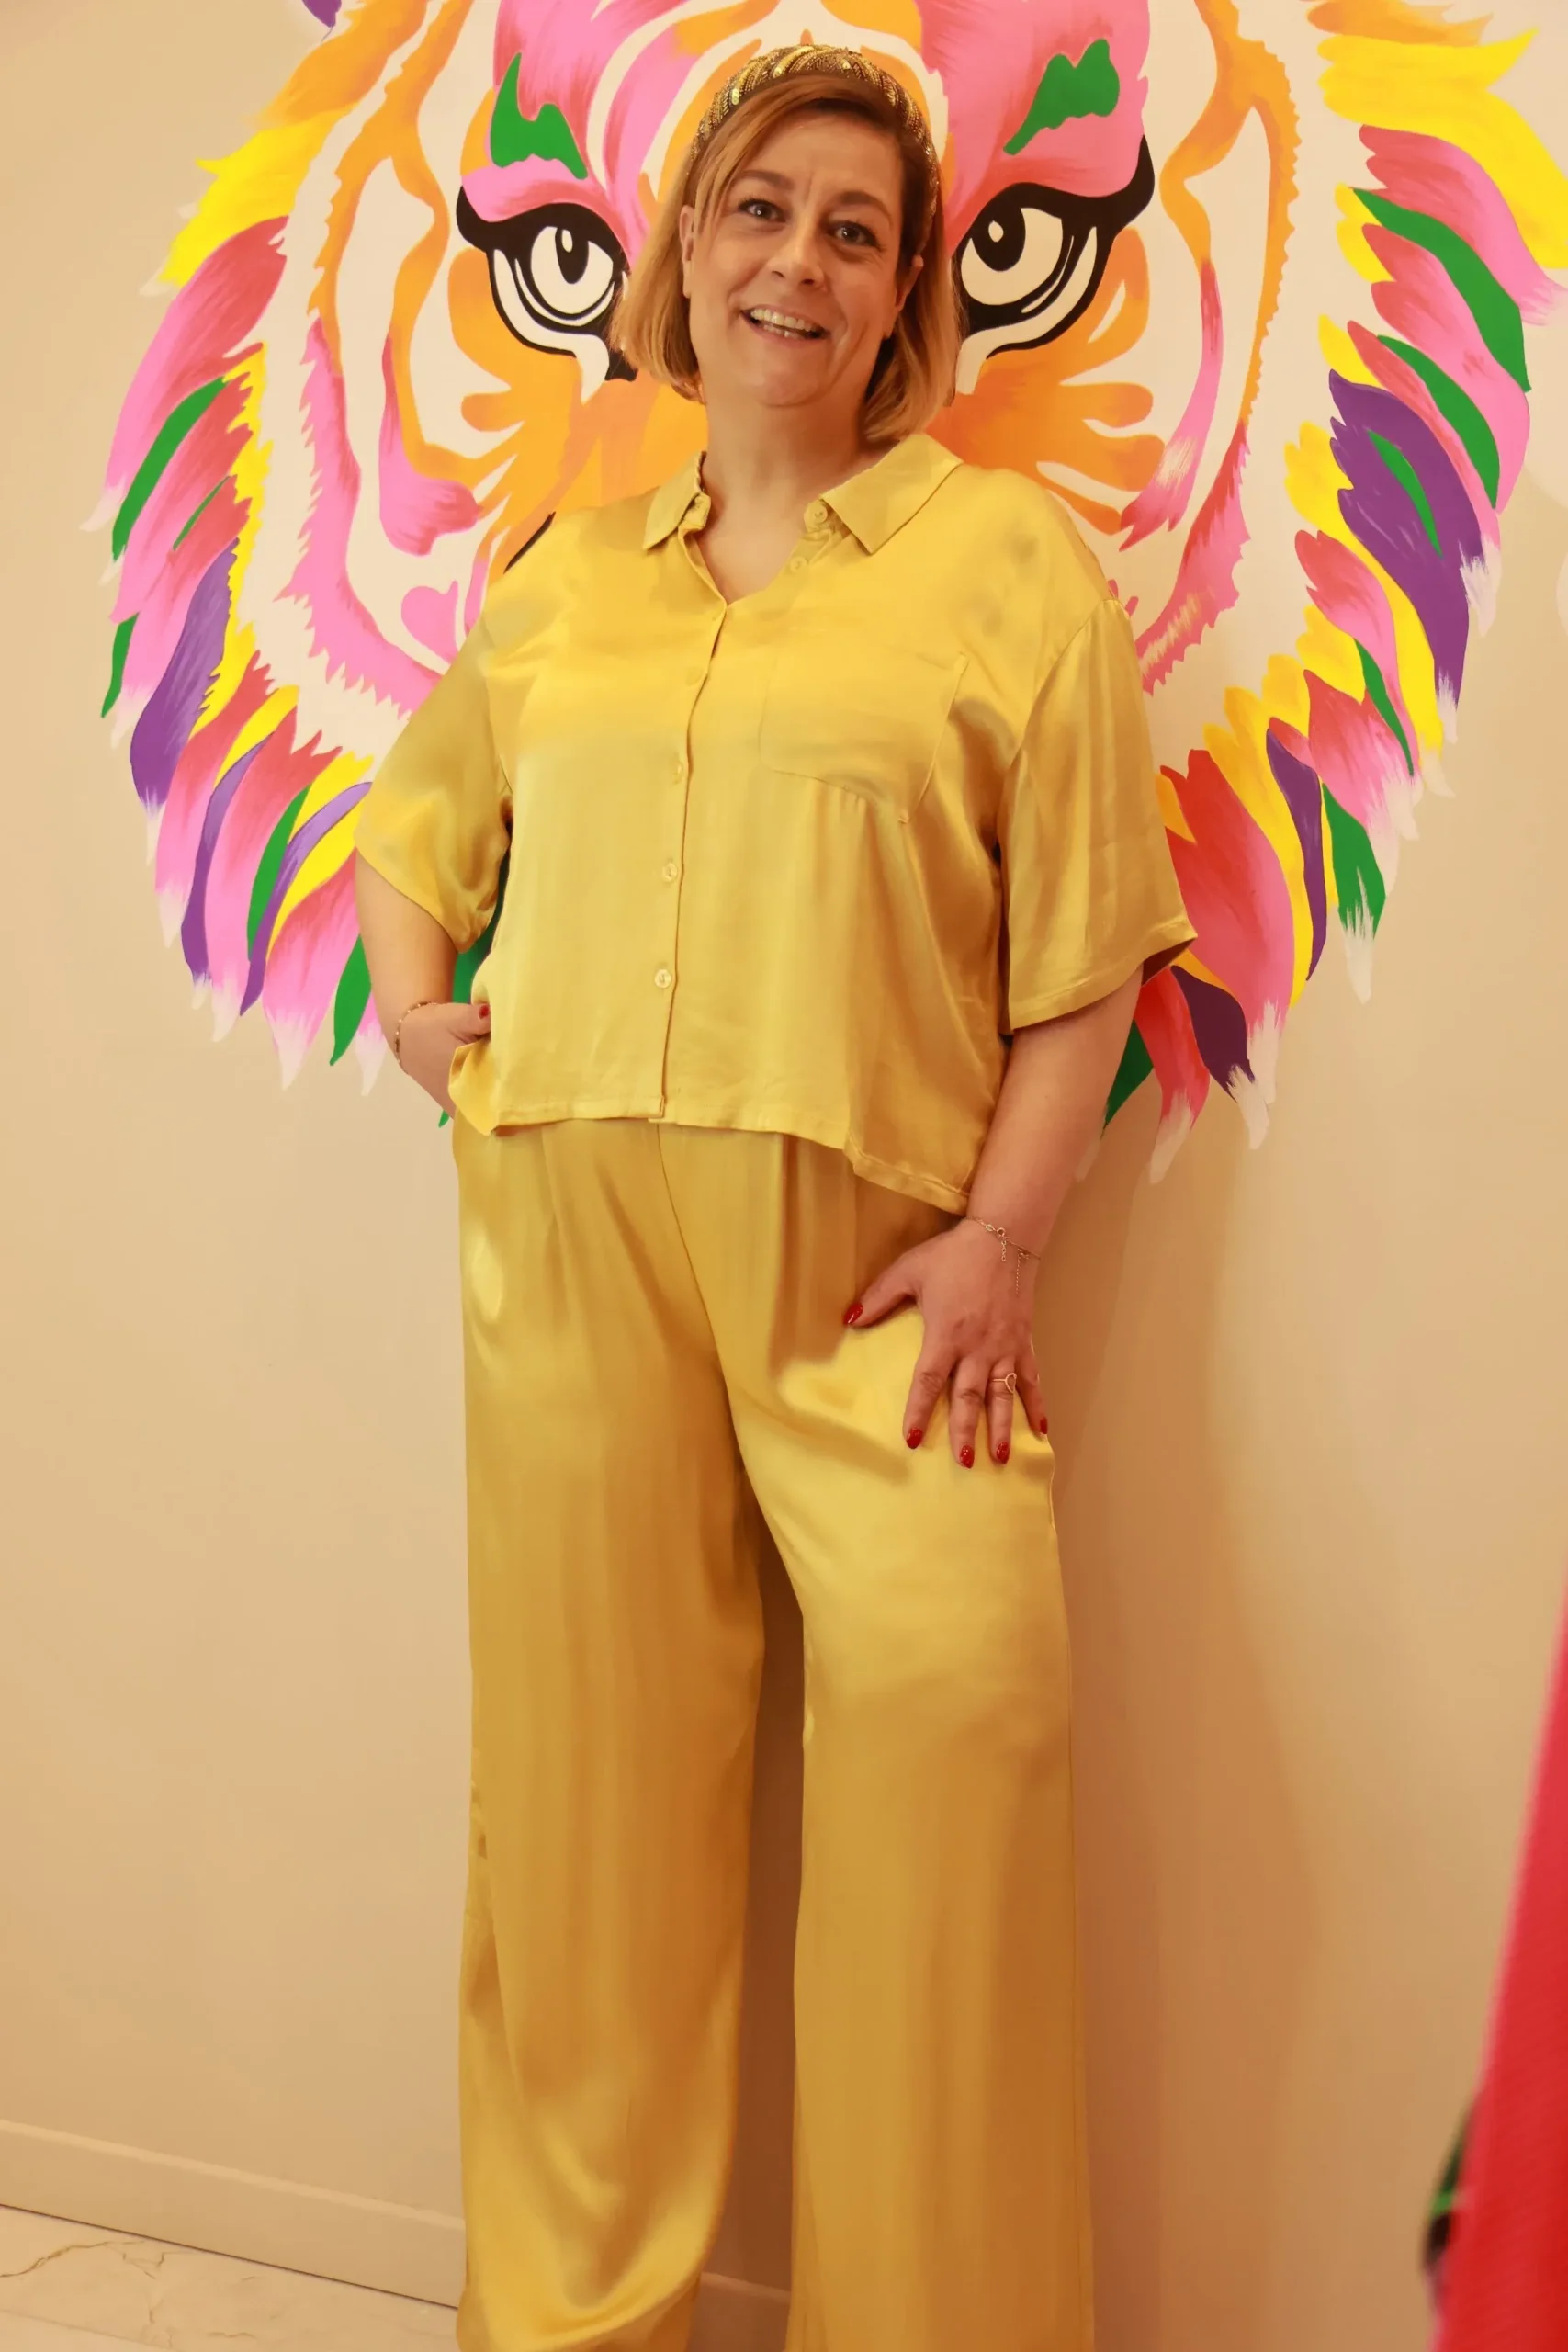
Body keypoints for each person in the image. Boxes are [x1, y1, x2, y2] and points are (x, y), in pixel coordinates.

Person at [354, 43, 1193, 2352]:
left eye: (852, 228)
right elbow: (415, 830)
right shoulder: (566, 581)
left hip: (888, 1276)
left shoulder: (1000, 564)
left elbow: (1085, 963)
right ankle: (567, 2316)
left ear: (905, 290)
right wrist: (425, 1013)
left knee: (961, 1758)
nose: (796, 260)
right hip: (568, 1238)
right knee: (588, 1819)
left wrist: (1005, 1236)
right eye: (758, 209)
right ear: (684, 249)